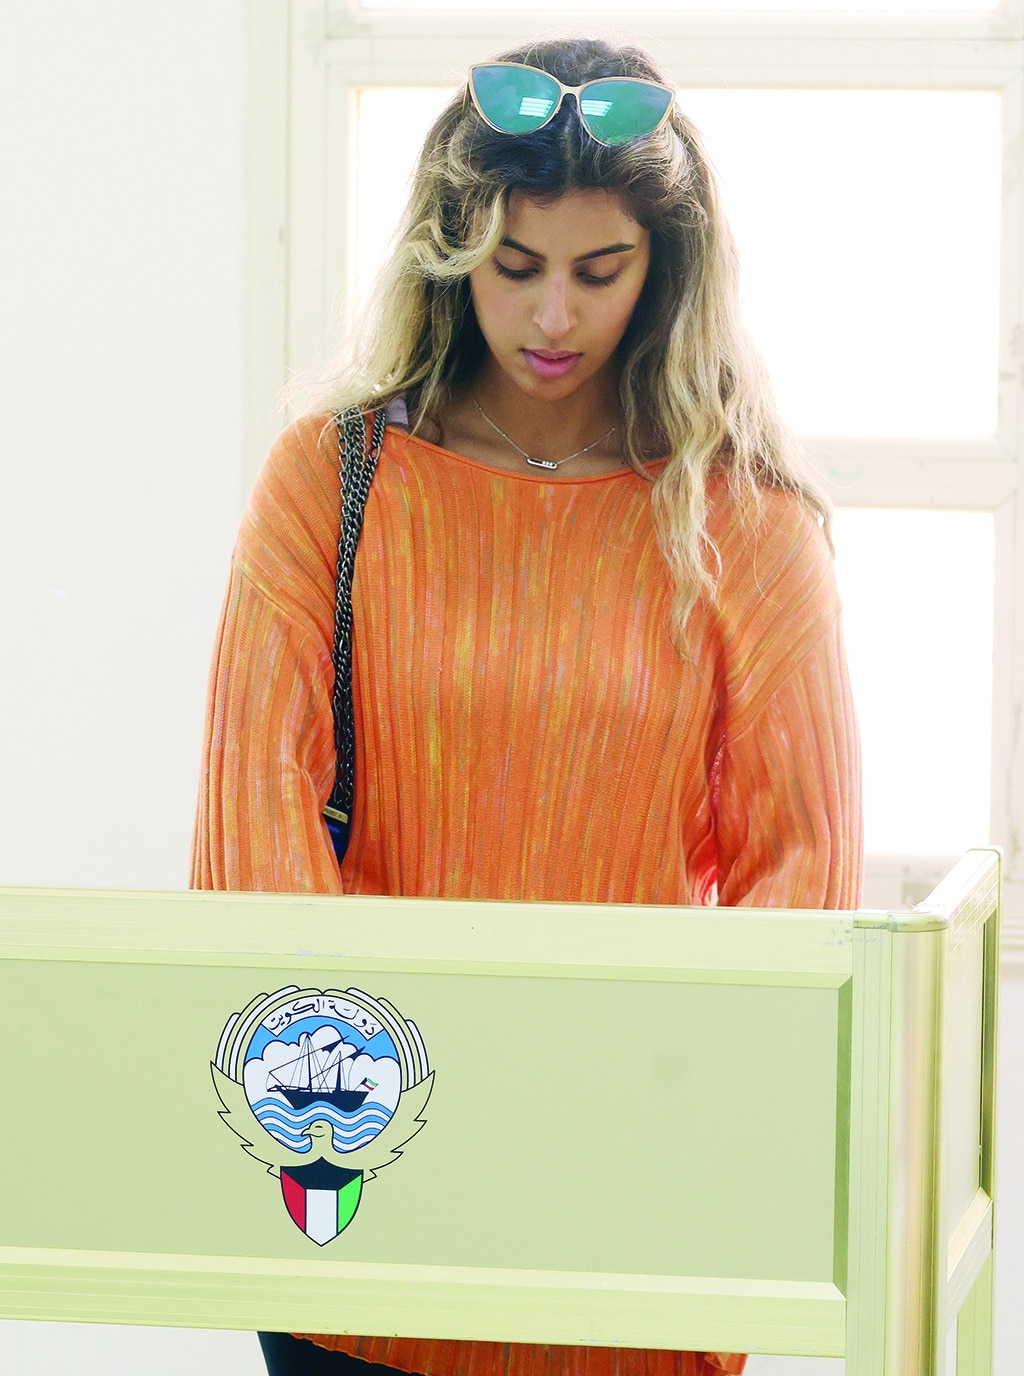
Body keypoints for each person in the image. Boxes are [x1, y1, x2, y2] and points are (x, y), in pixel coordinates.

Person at [192, 32, 862, 1376]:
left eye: (598, 272)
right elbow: (253, 834)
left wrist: (646, 1121)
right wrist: (375, 1109)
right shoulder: (330, 482)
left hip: (632, 1209)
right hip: (361, 1200)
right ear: (450, 254)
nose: (555, 317)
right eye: (516, 268)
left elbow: (805, 884)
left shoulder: (746, 519)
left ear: (663, 272)